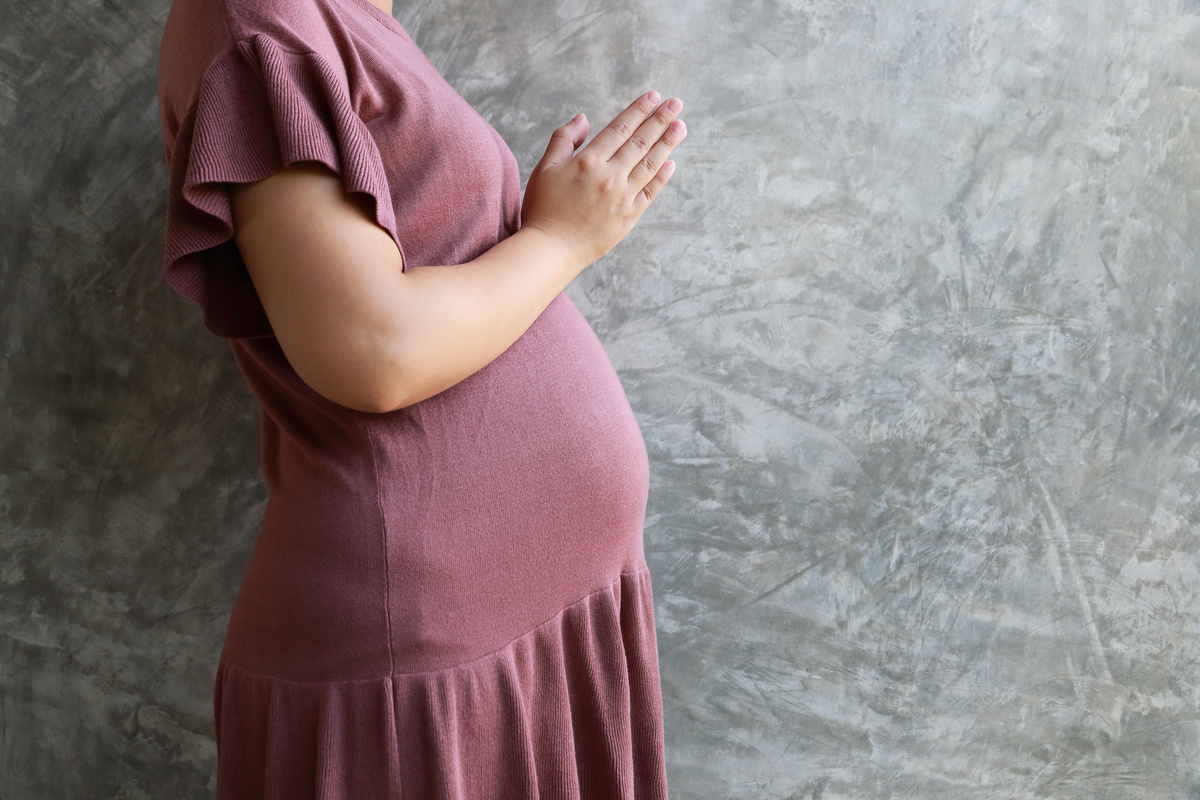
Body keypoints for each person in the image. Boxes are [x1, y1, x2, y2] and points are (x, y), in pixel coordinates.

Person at [157, 0, 685, 795]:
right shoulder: (255, 20)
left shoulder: (346, 16)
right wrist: (561, 240)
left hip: (518, 626)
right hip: (423, 659)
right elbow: (373, 349)